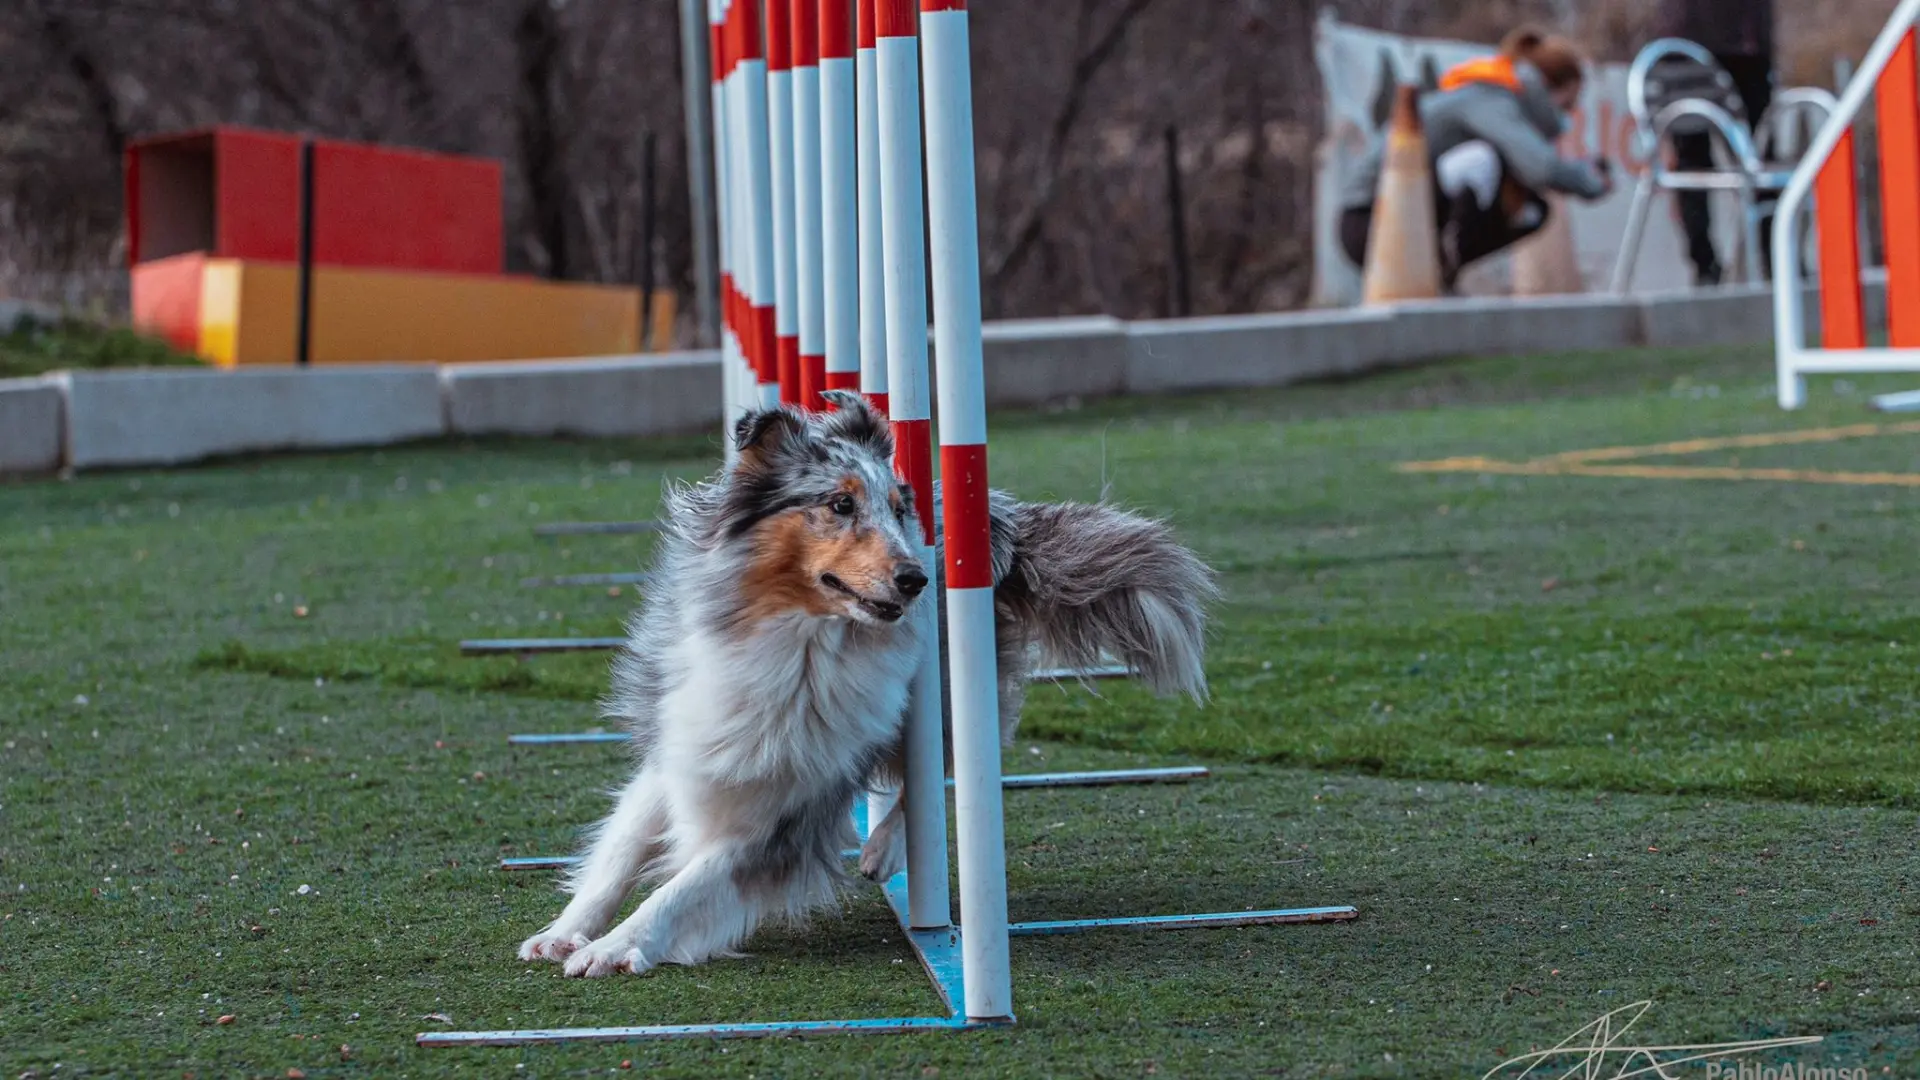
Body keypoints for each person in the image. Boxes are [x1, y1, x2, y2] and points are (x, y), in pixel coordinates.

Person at [1340, 27, 1613, 290]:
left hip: (1401, 218)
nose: (1565, 119)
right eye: (1567, 106)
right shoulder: (1490, 98)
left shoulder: (1495, 96)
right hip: (1369, 221)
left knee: (1530, 208)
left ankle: (1441, 266)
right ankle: (1445, 260)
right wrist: (1586, 180)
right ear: (1546, 85)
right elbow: (1541, 167)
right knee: (1483, 159)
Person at [1656, 0, 1777, 285]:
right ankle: (1713, 264)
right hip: (1716, 45)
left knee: (1755, 161)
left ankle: (1768, 256)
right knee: (1750, 160)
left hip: (1709, 40)